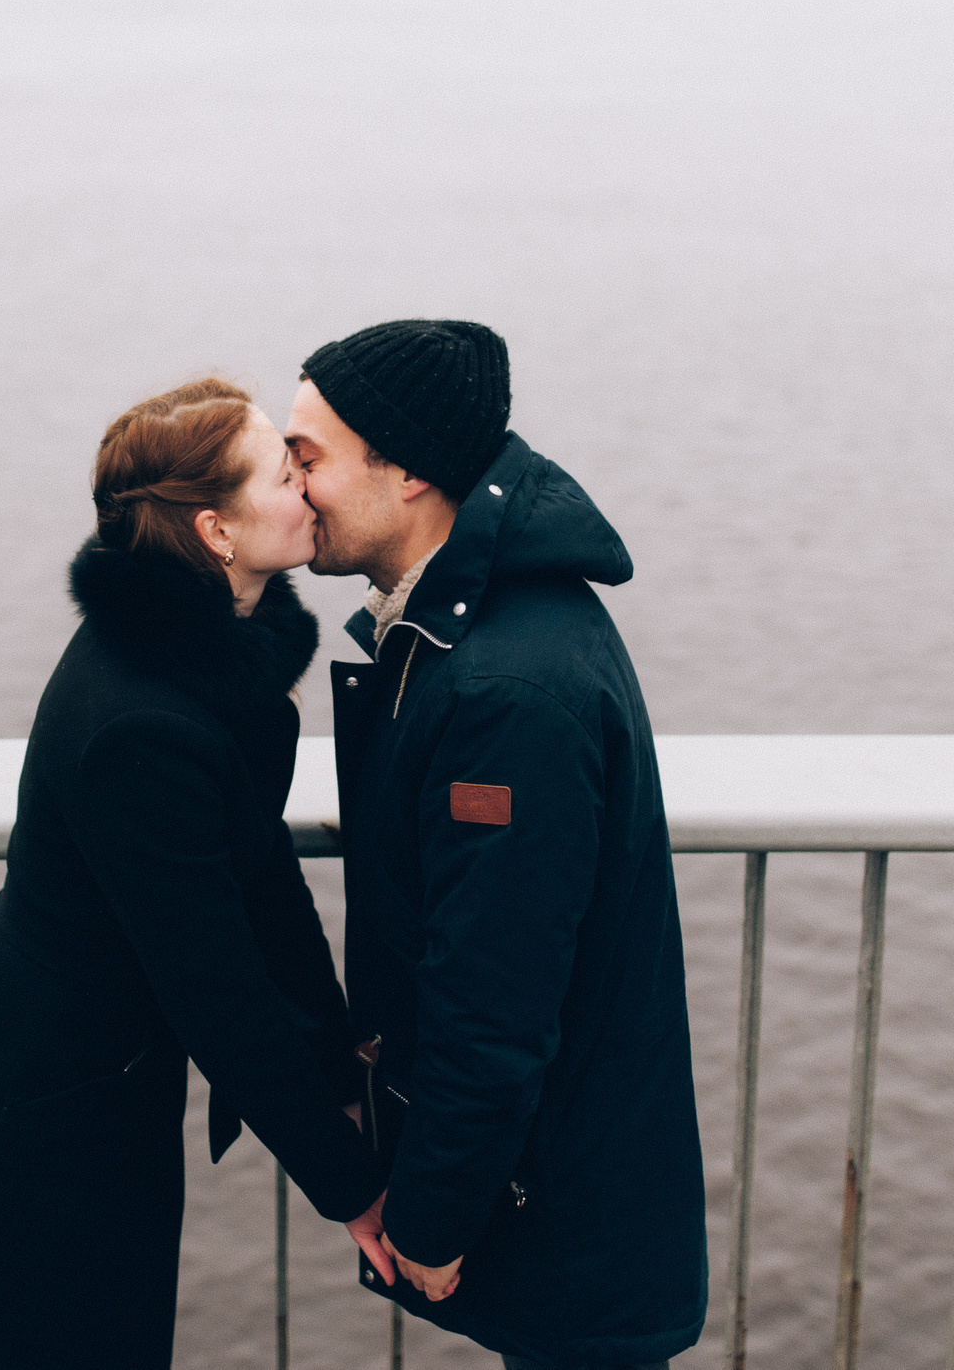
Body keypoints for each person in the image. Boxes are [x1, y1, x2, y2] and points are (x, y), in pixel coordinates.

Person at [0, 376, 396, 1369]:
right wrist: (352, 1183)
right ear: (216, 529)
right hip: (32, 1113)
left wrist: (338, 1075)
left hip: (94, 1084)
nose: (309, 489)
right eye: (284, 473)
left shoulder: (212, 662)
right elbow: (216, 987)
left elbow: (263, 884)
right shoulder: (142, 728)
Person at [286, 320, 706, 1370]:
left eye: (309, 457)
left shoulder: (504, 692)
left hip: (565, 1223)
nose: (293, 488)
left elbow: (493, 994)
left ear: (411, 470)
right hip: (569, 1192)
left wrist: (430, 1214)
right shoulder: (487, 626)